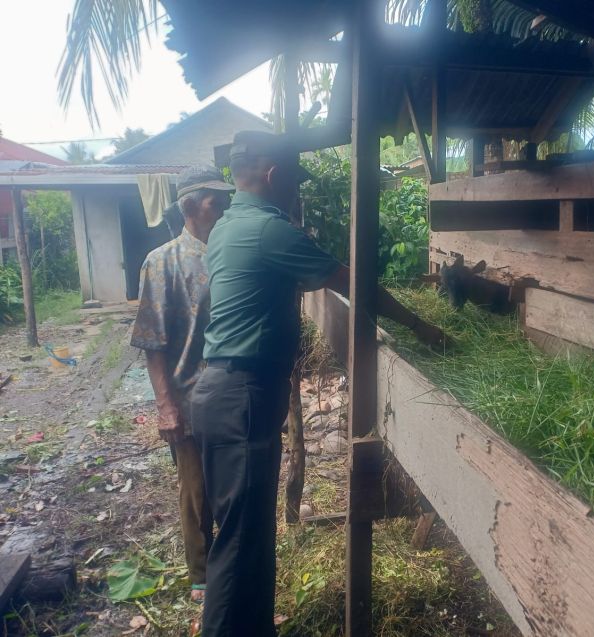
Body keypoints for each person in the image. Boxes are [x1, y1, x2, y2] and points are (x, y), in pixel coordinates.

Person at [191, 130, 447, 636]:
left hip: (230, 393)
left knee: (252, 536)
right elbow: (354, 282)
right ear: (274, 176)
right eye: (292, 182)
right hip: (240, 395)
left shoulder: (226, 227)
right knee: (238, 547)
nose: (295, 193)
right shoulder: (270, 231)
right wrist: (425, 329)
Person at [131, 165, 235, 605]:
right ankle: (201, 575)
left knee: (232, 487)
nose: (224, 204)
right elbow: (153, 341)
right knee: (196, 491)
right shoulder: (162, 261)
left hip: (232, 396)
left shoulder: (234, 253)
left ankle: (229, 570)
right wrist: (165, 406)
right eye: (214, 198)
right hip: (189, 398)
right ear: (191, 206)